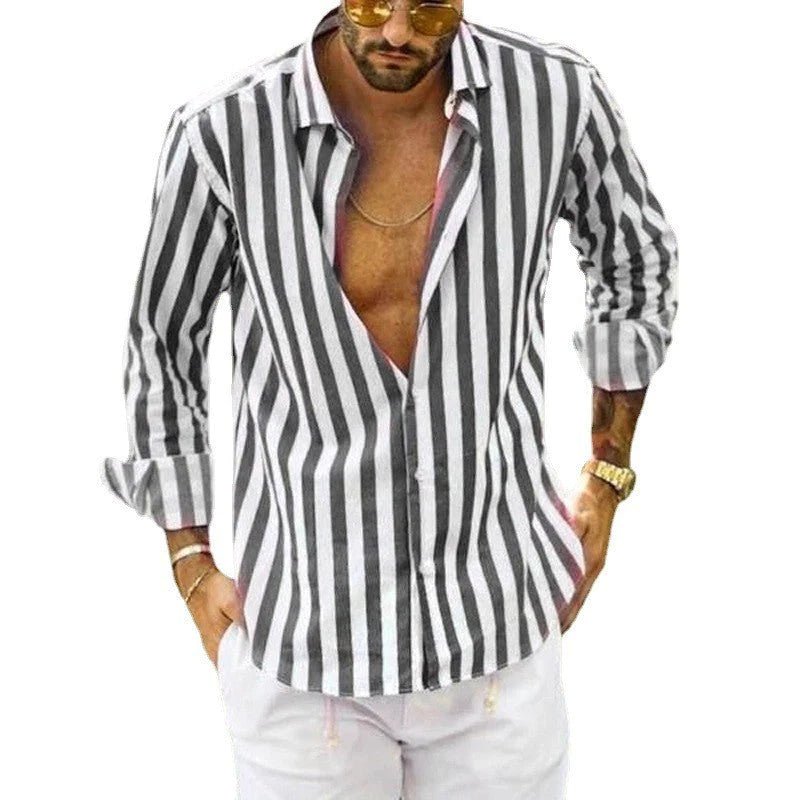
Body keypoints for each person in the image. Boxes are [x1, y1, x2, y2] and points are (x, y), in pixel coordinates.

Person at [101, 1, 678, 797]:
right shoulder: (226, 133)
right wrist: (189, 561)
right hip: (305, 658)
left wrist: (607, 476)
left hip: (498, 641)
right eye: (373, 4)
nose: (399, 32)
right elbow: (163, 342)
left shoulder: (555, 98)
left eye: (429, 7)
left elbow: (635, 263)